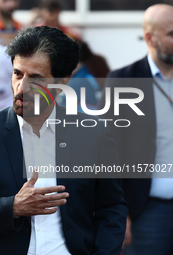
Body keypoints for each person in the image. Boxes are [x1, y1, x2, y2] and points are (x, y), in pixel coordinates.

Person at [0, 26, 127, 255]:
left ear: (62, 82)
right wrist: (13, 207)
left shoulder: (94, 134)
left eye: (35, 78)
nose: (22, 88)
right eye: (17, 74)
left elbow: (112, 208)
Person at [99, 4, 173, 255]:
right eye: (172, 33)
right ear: (151, 38)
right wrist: (118, 212)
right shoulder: (123, 81)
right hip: (146, 212)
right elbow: (106, 152)